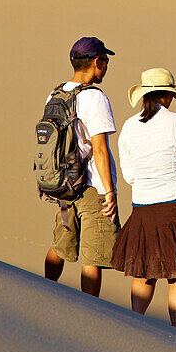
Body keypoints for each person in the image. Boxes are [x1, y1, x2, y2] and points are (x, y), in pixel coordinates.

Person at [111, 67, 176, 330]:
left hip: (144, 207)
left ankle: (135, 325)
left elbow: (130, 176)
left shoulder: (129, 127)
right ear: (167, 96)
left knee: (143, 271)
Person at [42, 36, 120, 297]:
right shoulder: (95, 98)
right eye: (105, 61)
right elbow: (99, 148)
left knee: (60, 244)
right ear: (97, 62)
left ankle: (44, 291)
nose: (106, 66)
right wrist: (109, 192)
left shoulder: (55, 93)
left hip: (63, 183)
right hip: (90, 186)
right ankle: (91, 312)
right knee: (93, 256)